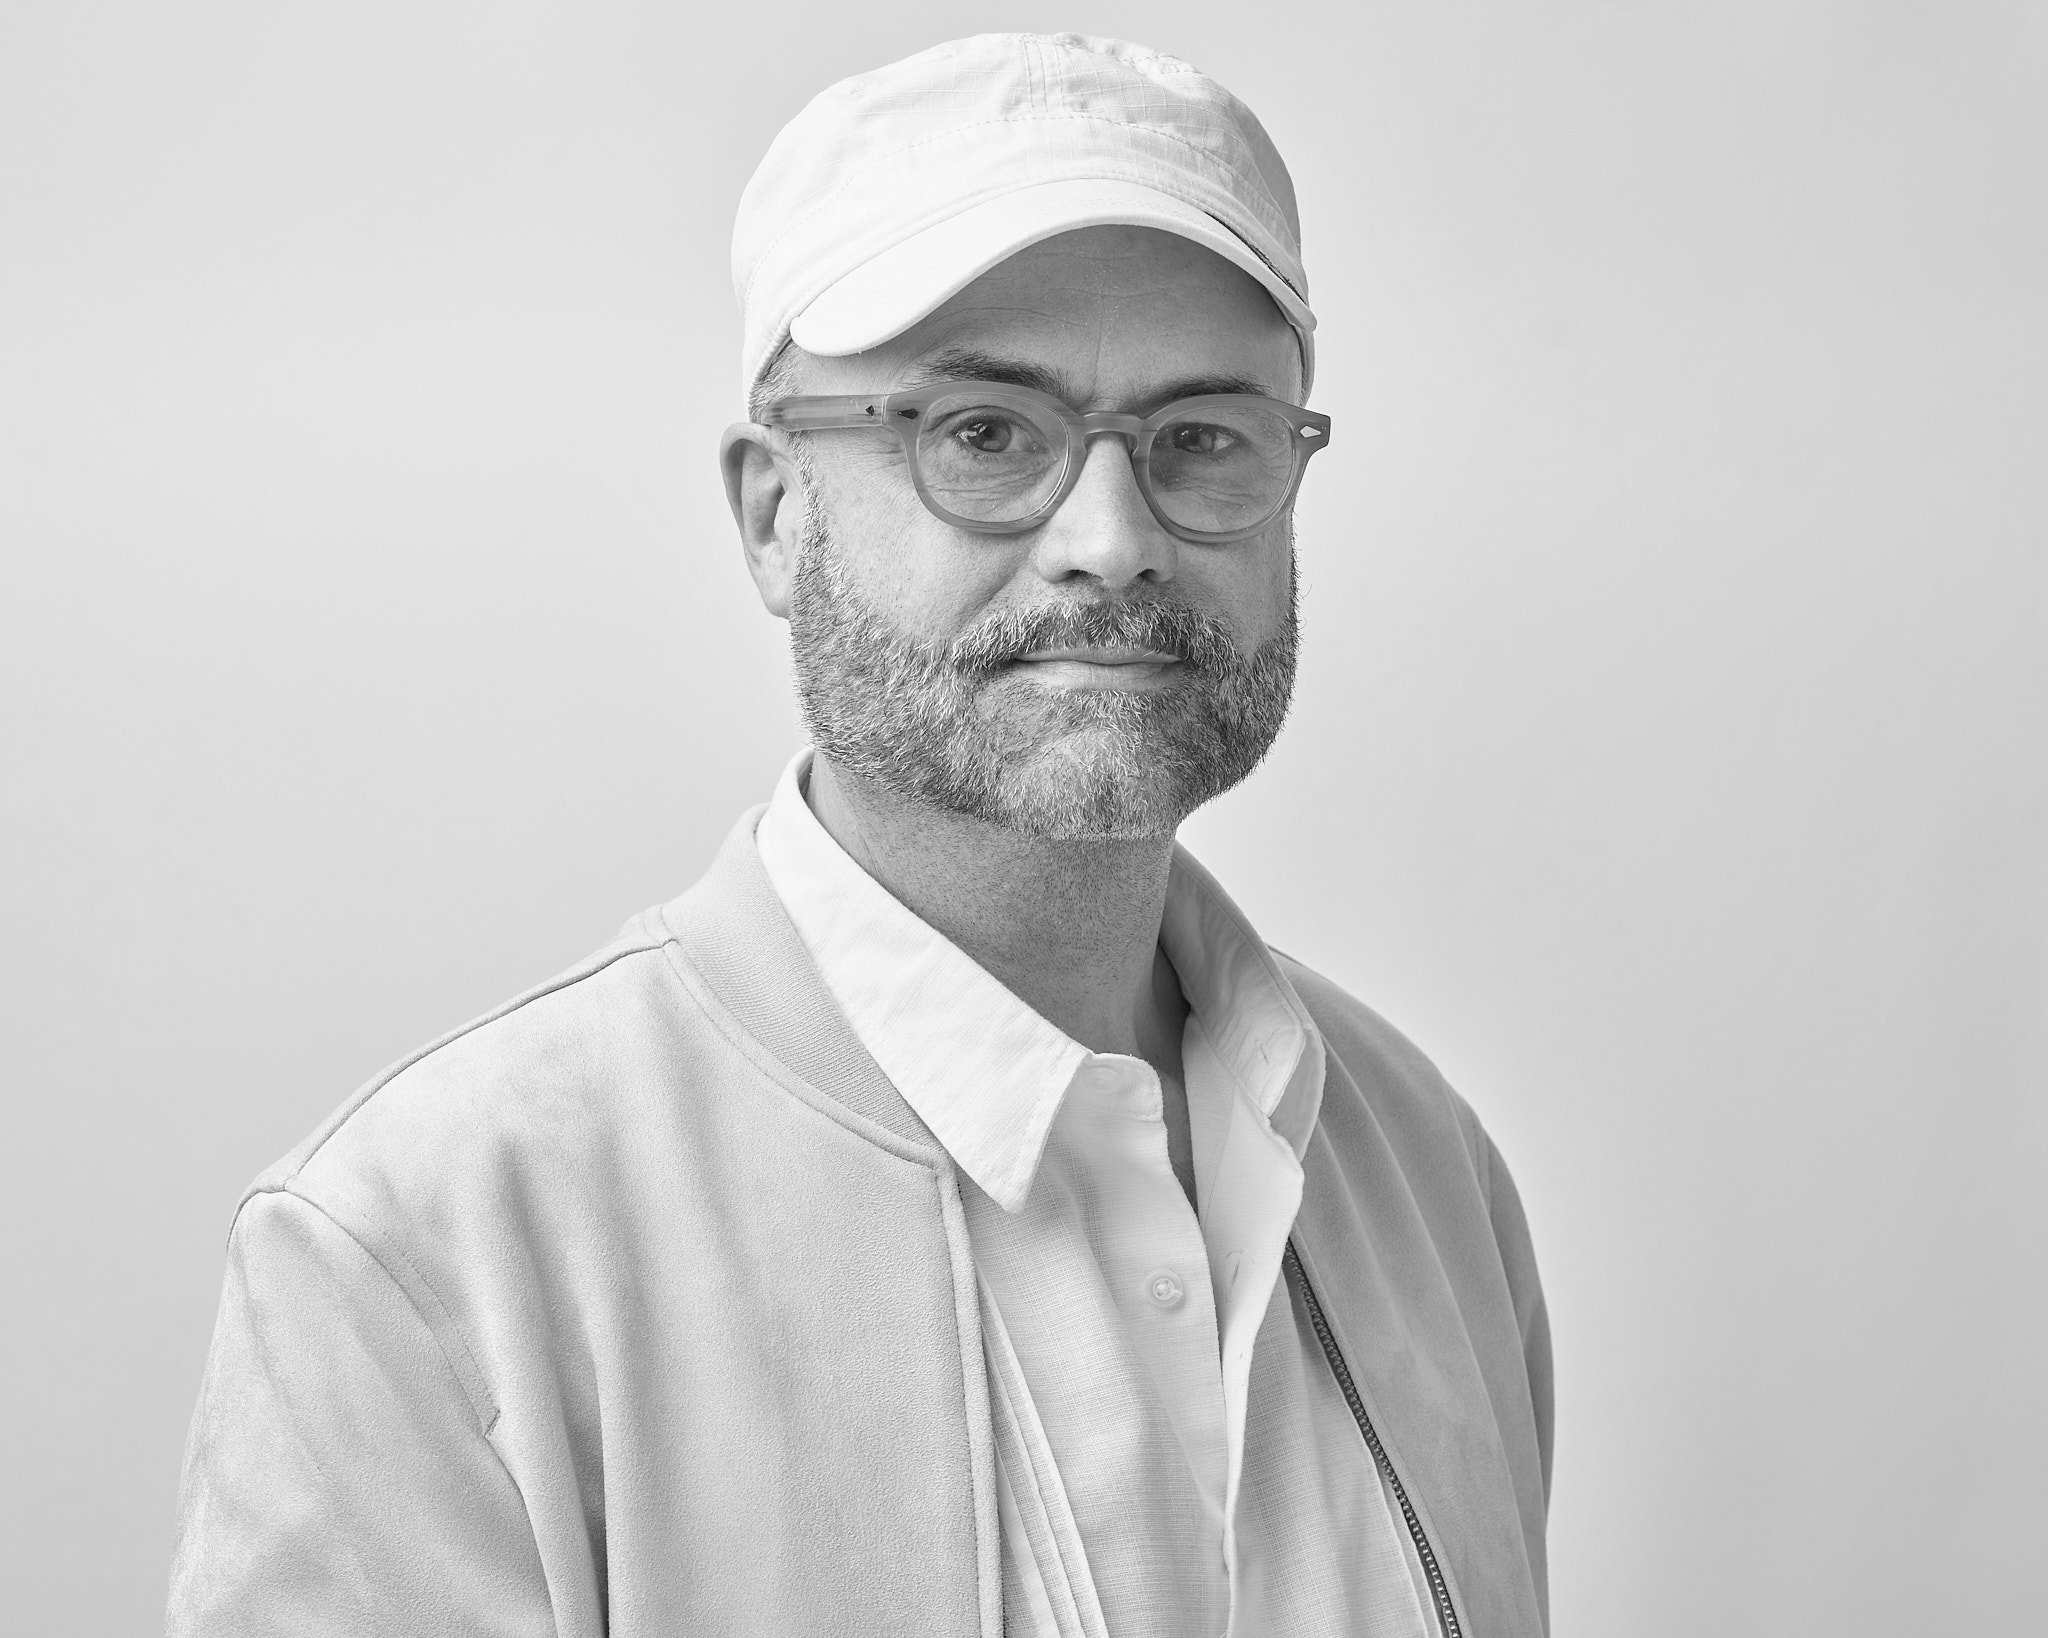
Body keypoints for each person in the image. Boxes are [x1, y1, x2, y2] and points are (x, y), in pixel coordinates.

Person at [168, 32, 1551, 1638]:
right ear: (775, 514)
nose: (1111, 539)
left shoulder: (1430, 1176)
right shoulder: (425, 1261)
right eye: (983, 432)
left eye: (1202, 436)